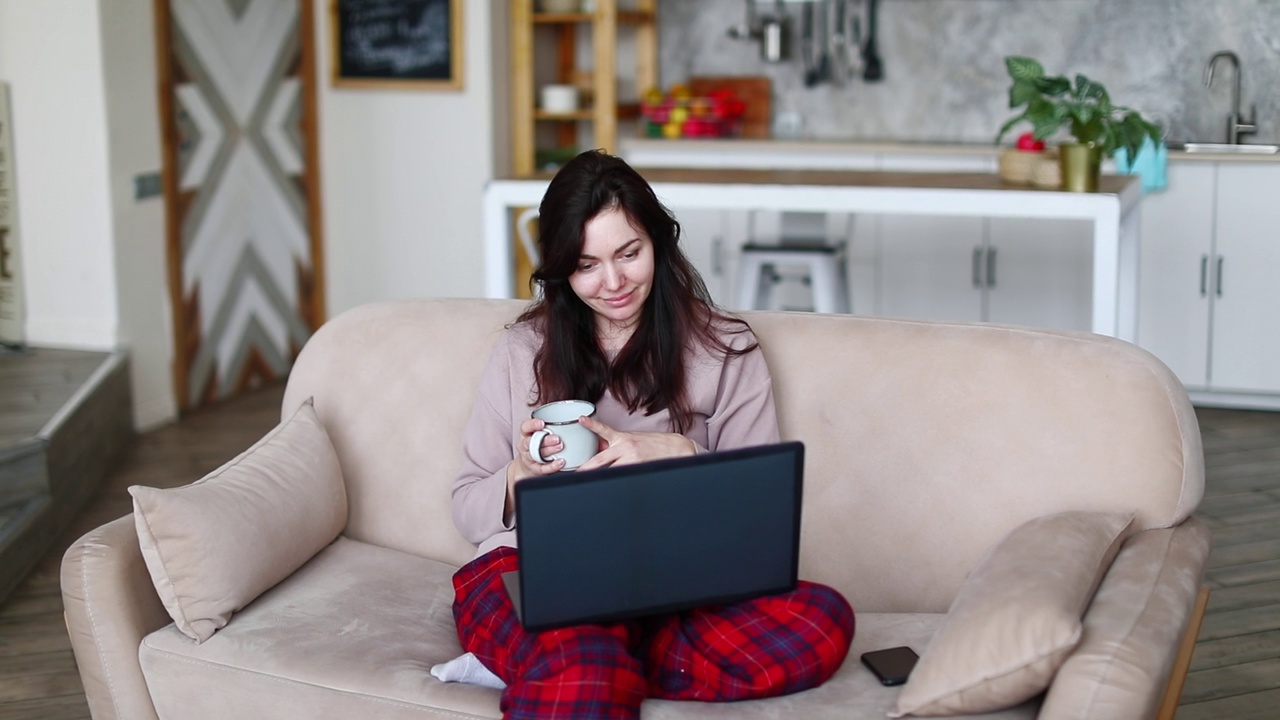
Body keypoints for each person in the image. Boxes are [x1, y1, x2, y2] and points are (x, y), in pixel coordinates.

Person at [450, 150, 854, 720]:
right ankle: (587, 658)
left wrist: (680, 451)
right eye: (586, 264)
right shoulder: (522, 350)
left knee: (822, 619)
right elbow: (467, 509)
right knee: (587, 671)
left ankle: (579, 659)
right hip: (534, 571)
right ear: (561, 268)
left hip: (674, 584)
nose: (612, 282)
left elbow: (758, 518)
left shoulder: (724, 347)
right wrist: (519, 478)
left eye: (629, 253)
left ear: (659, 244)